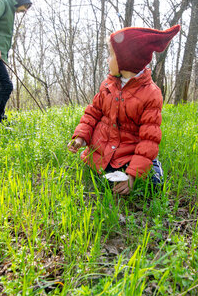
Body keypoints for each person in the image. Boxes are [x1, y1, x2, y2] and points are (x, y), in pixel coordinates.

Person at [68, 25, 181, 195]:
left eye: (111, 55)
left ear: (126, 60)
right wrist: (81, 138)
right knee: (102, 179)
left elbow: (149, 139)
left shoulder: (151, 94)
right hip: (104, 150)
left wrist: (133, 176)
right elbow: (92, 113)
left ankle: (147, 167)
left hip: (129, 152)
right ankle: (110, 170)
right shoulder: (107, 85)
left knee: (152, 184)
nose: (108, 59)